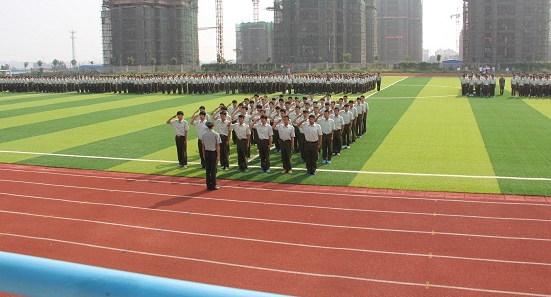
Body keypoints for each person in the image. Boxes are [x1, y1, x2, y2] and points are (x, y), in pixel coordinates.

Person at [201, 121, 221, 190]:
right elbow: (217, 145)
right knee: (213, 170)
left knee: (207, 170)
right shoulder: (216, 134)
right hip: (213, 152)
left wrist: (203, 154)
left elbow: (203, 145)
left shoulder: (203, 134)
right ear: (212, 126)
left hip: (207, 152)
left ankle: (208, 185)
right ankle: (214, 185)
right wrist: (218, 155)